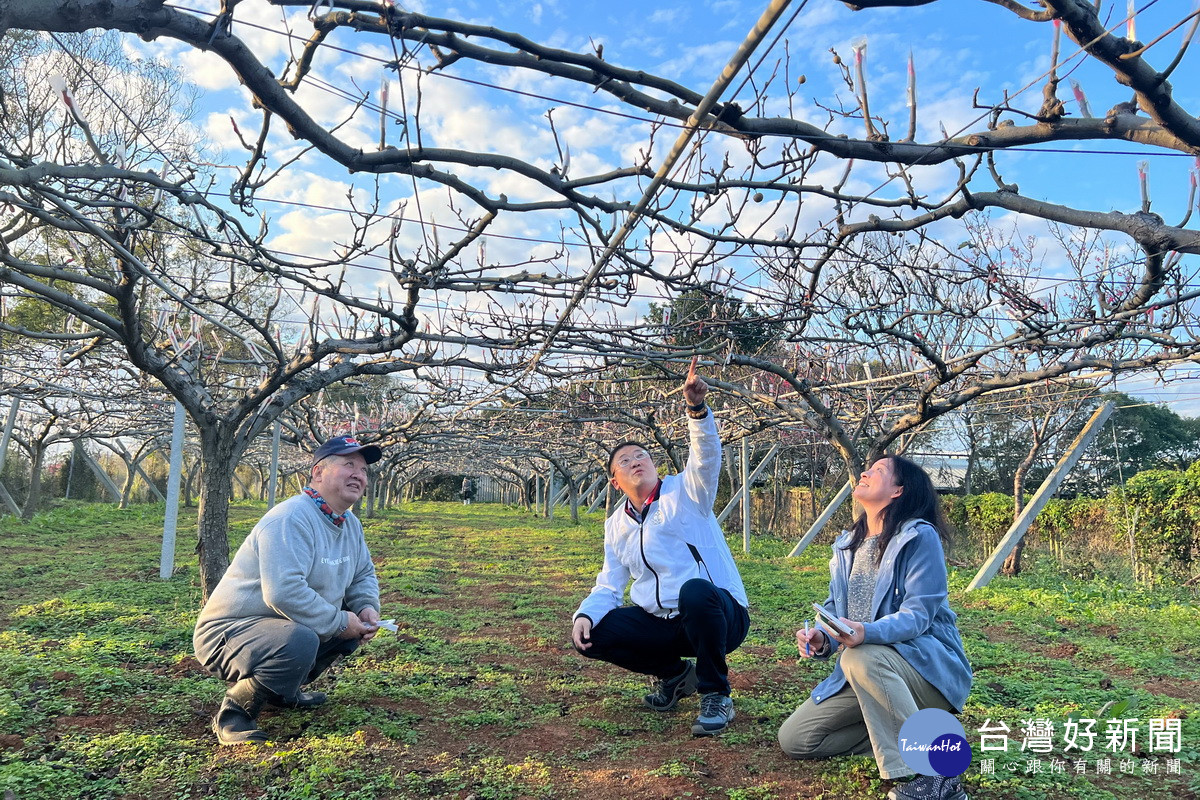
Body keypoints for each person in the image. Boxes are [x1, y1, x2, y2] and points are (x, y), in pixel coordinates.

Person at [571, 356, 750, 736]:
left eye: (642, 456)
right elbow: (608, 584)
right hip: (662, 622)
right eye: (625, 460)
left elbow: (706, 459)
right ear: (615, 482)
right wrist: (585, 615)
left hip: (718, 615)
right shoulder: (616, 525)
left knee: (696, 591)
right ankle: (675, 676)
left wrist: (696, 411)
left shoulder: (687, 493)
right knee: (594, 634)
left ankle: (716, 693)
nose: (636, 461)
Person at [777, 456, 972, 800]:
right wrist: (822, 637)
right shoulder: (847, 544)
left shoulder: (918, 537)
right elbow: (839, 609)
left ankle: (940, 772)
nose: (865, 473)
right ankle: (913, 734)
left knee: (859, 658)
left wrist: (866, 633)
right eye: (867, 468)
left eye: (878, 471)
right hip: (873, 675)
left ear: (898, 490)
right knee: (797, 739)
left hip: (922, 671)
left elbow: (918, 615)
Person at [193, 435, 384, 745]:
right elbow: (283, 593)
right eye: (348, 464)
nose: (358, 475)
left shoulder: (349, 523)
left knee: (341, 630)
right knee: (304, 638)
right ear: (318, 472)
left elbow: (362, 574)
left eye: (363, 470)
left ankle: (283, 691)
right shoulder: (290, 519)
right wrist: (339, 622)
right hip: (228, 633)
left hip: (278, 628)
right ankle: (235, 714)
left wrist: (365, 609)